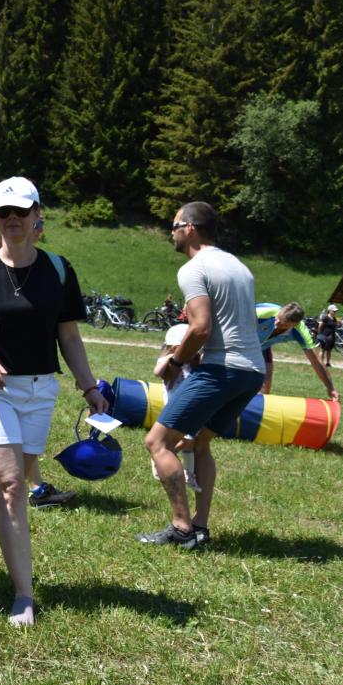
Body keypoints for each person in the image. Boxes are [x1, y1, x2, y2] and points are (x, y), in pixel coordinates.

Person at [0, 176, 107, 626]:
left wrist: (89, 387)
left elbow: (68, 336)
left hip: (40, 390)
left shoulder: (58, 270)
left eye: (20, 211)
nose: (12, 219)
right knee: (15, 485)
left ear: (37, 216)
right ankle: (24, 596)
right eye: (4, 213)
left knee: (2, 487)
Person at [139, 202, 265, 551]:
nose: (171, 233)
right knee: (199, 443)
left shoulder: (194, 268)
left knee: (157, 442)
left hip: (222, 370)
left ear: (190, 228)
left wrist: (176, 362)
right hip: (252, 372)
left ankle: (181, 528)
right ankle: (200, 526)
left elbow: (200, 327)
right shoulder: (238, 266)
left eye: (174, 226)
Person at [255, 302, 338, 400]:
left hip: (262, 348)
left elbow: (316, 361)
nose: (276, 323)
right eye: (278, 318)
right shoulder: (265, 312)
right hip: (240, 343)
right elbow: (240, 316)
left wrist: (330, 388)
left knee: (265, 385)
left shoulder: (300, 331)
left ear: (294, 325)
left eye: (282, 324)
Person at [152, 323, 200, 492]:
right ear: (175, 347)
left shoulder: (193, 363)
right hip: (175, 408)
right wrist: (171, 357)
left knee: (190, 442)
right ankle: (160, 456)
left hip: (192, 408)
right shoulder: (168, 362)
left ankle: (189, 473)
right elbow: (157, 372)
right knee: (187, 439)